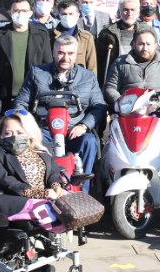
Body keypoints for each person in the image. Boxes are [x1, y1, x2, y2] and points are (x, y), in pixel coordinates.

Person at [16, 34, 105, 188]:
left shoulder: (88, 77)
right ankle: (37, 189)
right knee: (28, 143)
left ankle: (82, 190)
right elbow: (21, 102)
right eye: (61, 53)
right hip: (44, 130)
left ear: (75, 54)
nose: (65, 58)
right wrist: (27, 126)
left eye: (70, 53)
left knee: (89, 141)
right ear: (53, 52)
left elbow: (99, 106)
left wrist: (84, 126)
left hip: (74, 130)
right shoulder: (37, 73)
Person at [0, 112, 67, 228]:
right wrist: (41, 194)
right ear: (0, 134)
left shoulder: (42, 149)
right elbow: (5, 181)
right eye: (7, 133)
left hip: (46, 197)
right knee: (50, 210)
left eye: (20, 133)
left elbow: (53, 172)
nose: (14, 137)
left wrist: (56, 186)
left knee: (70, 202)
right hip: (14, 199)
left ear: (30, 133)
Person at [104, 30, 160, 121]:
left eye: (149, 44)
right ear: (134, 44)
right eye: (141, 44)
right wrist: (122, 103)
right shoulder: (120, 63)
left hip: (158, 112)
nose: (145, 48)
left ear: (156, 45)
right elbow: (110, 88)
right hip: (126, 112)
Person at [0, 0, 53, 110]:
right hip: (5, 96)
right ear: (10, 13)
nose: (20, 14)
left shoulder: (41, 34)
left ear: (30, 13)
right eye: (16, 10)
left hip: (32, 95)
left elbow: (48, 65)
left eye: (24, 10)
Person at [97, 0, 155, 84]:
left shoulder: (148, 31)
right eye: (125, 10)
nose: (129, 13)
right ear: (119, 12)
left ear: (138, 12)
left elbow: (155, 57)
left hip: (141, 80)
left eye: (132, 10)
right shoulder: (107, 33)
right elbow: (99, 60)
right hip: (115, 80)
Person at [50, 0, 97, 77]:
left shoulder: (86, 37)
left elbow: (92, 66)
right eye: (64, 14)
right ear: (59, 15)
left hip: (79, 82)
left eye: (71, 14)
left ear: (78, 15)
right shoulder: (49, 36)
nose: (67, 17)